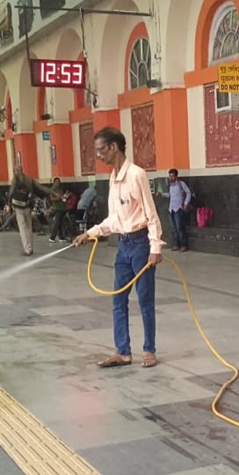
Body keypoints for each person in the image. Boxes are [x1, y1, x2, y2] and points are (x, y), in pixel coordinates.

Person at [73, 127, 164, 369]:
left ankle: (149, 350)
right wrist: (90, 233)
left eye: (101, 150)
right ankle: (123, 352)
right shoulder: (113, 178)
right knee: (118, 299)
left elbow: (151, 214)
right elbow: (114, 219)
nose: (99, 155)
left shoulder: (137, 175)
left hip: (141, 244)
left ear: (114, 147)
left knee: (145, 300)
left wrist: (155, 247)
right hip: (123, 246)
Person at [7, 162, 47, 256]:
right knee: (29, 227)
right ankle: (31, 247)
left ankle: (27, 249)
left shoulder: (15, 179)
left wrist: (9, 203)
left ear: (16, 171)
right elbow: (39, 188)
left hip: (18, 206)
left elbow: (11, 192)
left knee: (22, 228)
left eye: (15, 170)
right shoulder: (29, 179)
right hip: (28, 206)